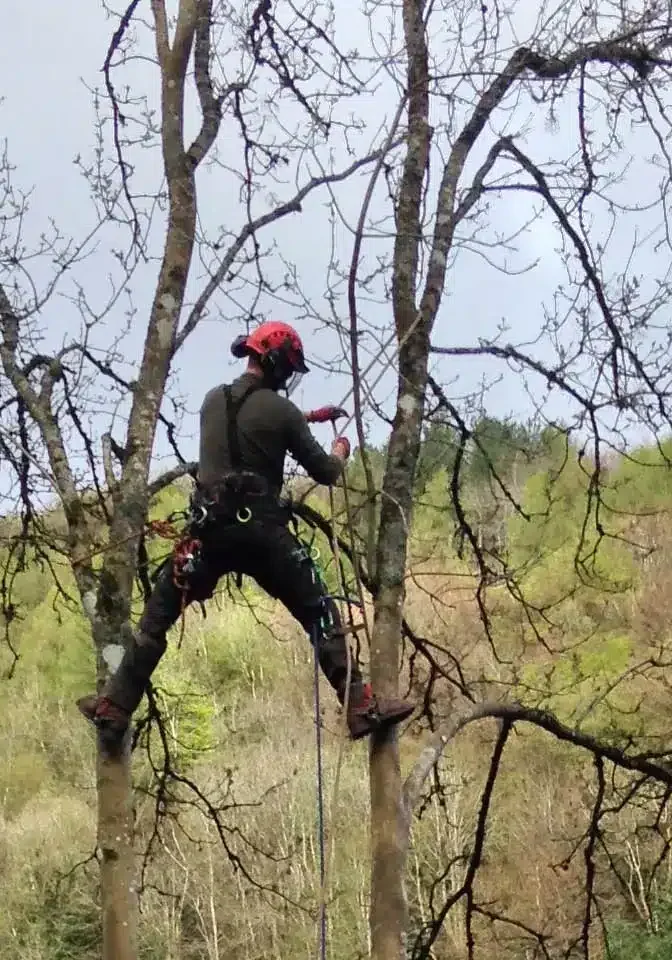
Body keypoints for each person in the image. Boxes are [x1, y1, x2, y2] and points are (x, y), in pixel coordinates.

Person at [78, 321, 414, 748]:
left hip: (206, 535)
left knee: (154, 622)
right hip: (261, 534)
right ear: (276, 364)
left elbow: (248, 423)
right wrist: (340, 448)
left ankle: (114, 707)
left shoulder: (211, 401)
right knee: (319, 612)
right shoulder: (281, 412)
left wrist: (308, 417)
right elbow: (326, 472)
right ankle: (359, 706)